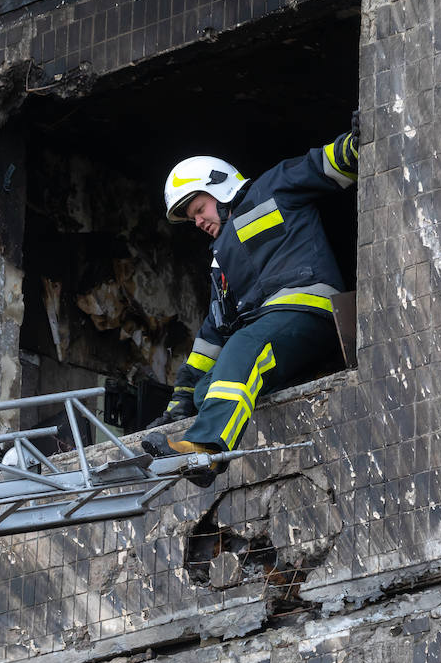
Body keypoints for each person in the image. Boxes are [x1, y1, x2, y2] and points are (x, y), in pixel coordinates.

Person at [142, 115, 359, 486]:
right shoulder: (220, 263)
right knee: (208, 387)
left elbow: (325, 164)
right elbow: (211, 337)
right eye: (193, 218)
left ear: (218, 184)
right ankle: (202, 426)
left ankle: (207, 450)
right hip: (269, 327)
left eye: (199, 210)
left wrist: (359, 138)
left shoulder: (272, 187)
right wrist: (181, 399)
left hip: (309, 307)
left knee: (244, 347)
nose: (198, 222)